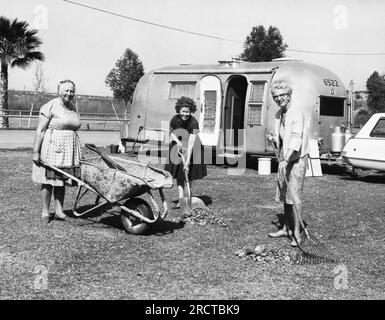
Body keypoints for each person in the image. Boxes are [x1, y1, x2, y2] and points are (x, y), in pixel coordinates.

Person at [32, 79, 81, 223]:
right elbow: (40, 130)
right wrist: (36, 151)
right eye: (66, 90)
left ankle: (59, 211)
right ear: (59, 90)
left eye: (71, 91)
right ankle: (45, 212)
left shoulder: (72, 107)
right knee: (48, 180)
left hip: (68, 149)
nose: (69, 93)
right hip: (53, 147)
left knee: (61, 180)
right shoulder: (50, 106)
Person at [266, 79, 309, 246]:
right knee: (284, 194)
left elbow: (296, 139)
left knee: (295, 196)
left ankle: (297, 234)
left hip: (296, 159)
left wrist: (287, 159)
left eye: (282, 95)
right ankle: (286, 228)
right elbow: (282, 138)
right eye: (275, 96)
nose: (279, 99)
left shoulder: (296, 112)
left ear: (289, 95)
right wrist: (273, 139)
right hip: (284, 158)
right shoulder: (279, 114)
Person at [164, 96, 207, 209]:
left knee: (189, 174)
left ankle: (188, 198)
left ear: (191, 111)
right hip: (178, 146)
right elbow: (172, 133)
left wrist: (187, 162)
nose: (185, 114)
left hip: (194, 147)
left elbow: (191, 143)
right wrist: (177, 141)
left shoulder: (194, 123)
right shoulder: (174, 119)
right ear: (179, 111)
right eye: (183, 111)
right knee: (179, 174)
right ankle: (181, 198)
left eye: (187, 112)